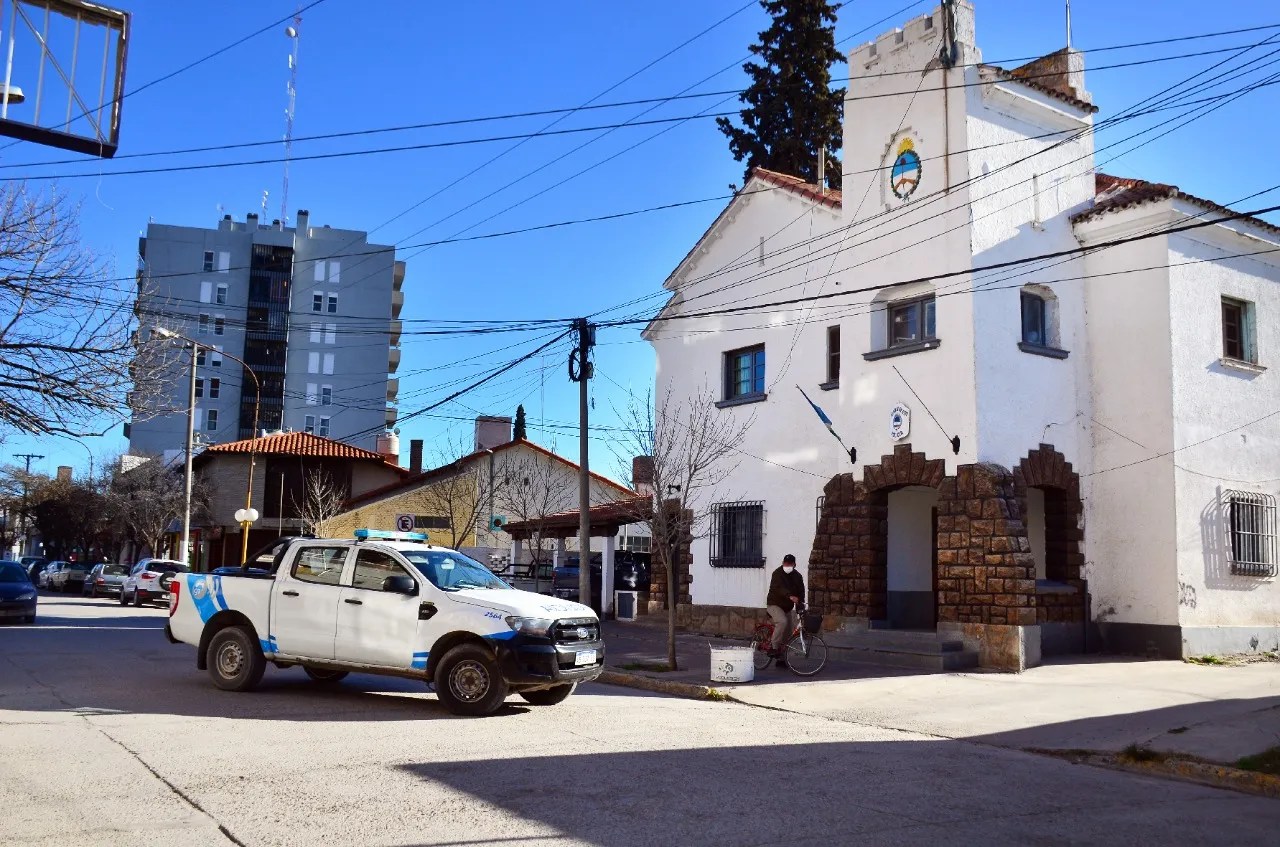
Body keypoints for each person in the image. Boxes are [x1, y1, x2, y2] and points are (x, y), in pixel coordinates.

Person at [766, 554, 805, 665]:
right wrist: (789, 596)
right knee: (782, 621)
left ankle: (781, 659)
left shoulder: (797, 576)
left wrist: (800, 606)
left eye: (789, 564)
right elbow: (778, 588)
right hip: (774, 604)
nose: (787, 566)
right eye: (785, 563)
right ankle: (773, 647)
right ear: (783, 563)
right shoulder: (777, 573)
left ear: (794, 565)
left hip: (787, 607)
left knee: (787, 634)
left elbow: (800, 592)